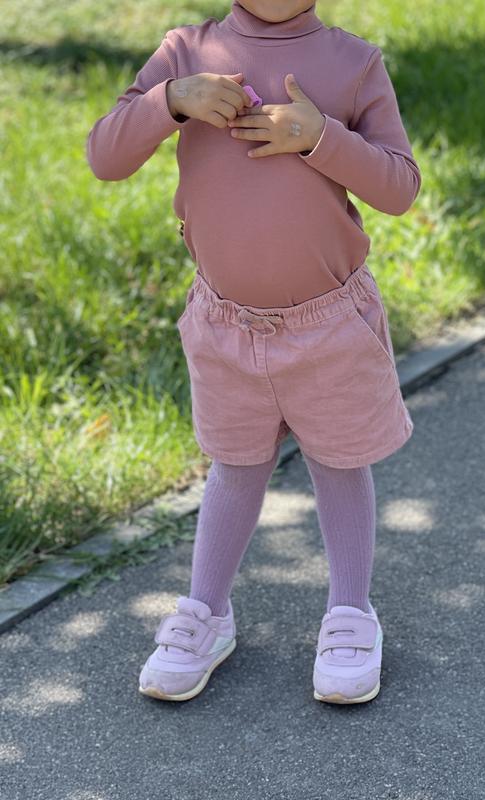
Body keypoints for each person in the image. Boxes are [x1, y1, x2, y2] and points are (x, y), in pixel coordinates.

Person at [86, 0, 422, 705]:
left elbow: (399, 187)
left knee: (340, 462)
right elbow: (105, 157)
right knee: (234, 465)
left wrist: (320, 136)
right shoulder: (185, 51)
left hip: (328, 323)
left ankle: (350, 613)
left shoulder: (353, 62)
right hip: (224, 324)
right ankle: (206, 613)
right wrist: (169, 100)